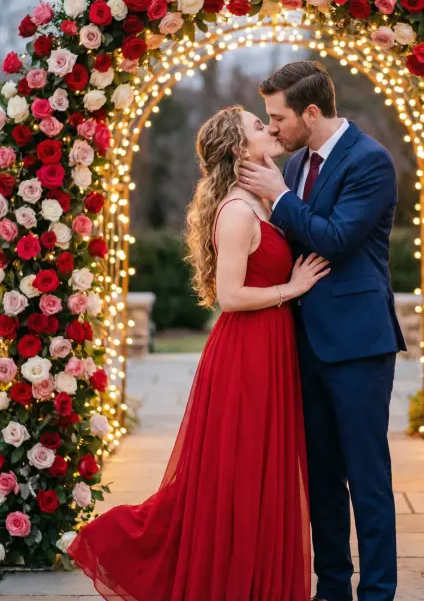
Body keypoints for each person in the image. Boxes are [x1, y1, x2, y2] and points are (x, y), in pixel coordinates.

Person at [68, 105, 330, 601]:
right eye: (258, 125)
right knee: (235, 476)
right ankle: (122, 545)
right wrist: (292, 289)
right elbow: (229, 296)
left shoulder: (264, 200)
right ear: (238, 149)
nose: (270, 128)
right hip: (246, 353)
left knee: (262, 477)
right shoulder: (235, 211)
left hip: (272, 348)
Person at [237, 61, 406, 601]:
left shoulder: (370, 162)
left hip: (358, 344)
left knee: (367, 477)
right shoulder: (292, 168)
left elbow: (335, 238)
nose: (274, 127)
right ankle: (332, 588)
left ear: (311, 112)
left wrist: (280, 199)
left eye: (278, 117)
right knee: (322, 477)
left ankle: (377, 593)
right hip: (303, 342)